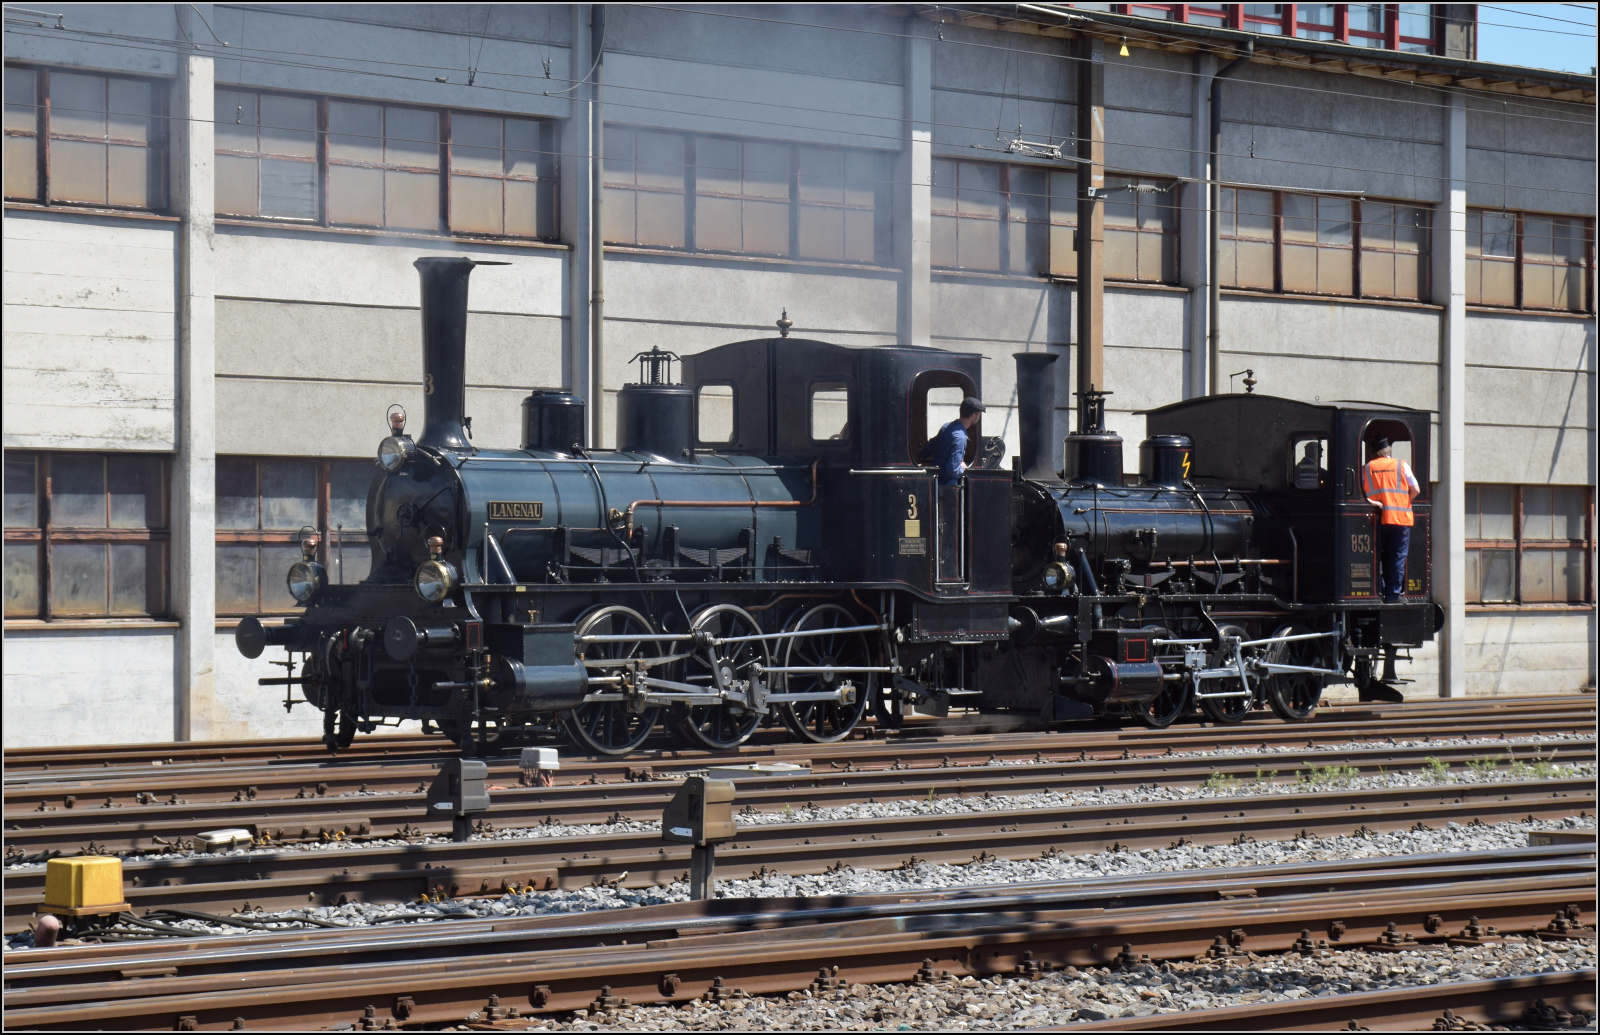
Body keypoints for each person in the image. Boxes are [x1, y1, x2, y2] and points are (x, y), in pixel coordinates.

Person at [928, 397, 984, 578]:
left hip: (936, 486)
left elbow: (929, 448)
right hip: (948, 490)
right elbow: (953, 469)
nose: (979, 419)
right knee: (950, 534)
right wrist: (964, 467)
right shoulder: (960, 437)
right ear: (973, 415)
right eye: (979, 415)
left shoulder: (947, 427)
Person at [1360, 437, 1420, 603]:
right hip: (1400, 519)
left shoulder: (1367, 468)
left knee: (1376, 556)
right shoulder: (1401, 465)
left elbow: (1361, 496)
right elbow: (1416, 489)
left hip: (1376, 519)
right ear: (1388, 451)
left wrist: (1374, 503)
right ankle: (1393, 595)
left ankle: (1378, 590)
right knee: (1397, 557)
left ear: (1373, 453)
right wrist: (1404, 501)